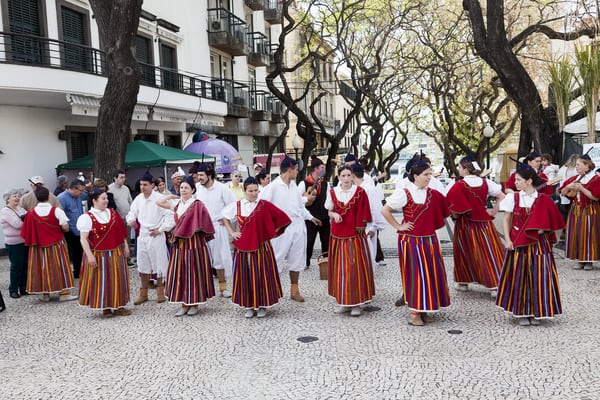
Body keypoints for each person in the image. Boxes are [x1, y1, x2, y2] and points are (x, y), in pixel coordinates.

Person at [381, 159, 451, 326]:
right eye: (426, 174)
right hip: (411, 241)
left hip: (429, 240)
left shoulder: (432, 193)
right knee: (416, 276)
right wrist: (399, 226)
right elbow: (385, 210)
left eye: (429, 174)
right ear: (415, 176)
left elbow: (446, 207)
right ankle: (414, 313)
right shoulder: (404, 192)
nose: (429, 177)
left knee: (430, 275)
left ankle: (425, 308)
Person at [497, 163, 564, 326]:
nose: (515, 183)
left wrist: (543, 230)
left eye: (519, 180)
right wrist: (507, 240)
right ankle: (521, 312)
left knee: (539, 276)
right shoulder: (513, 197)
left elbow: (554, 223)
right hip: (518, 243)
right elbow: (506, 218)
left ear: (528, 181)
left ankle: (537, 311)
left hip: (539, 244)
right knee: (519, 276)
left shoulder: (543, 200)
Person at [223, 177, 291, 318]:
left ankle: (262, 305)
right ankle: (249, 305)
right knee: (245, 276)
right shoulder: (237, 205)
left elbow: (282, 217)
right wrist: (232, 232)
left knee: (262, 275)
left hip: (261, 247)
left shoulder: (264, 205)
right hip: (243, 247)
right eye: (251, 190)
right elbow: (225, 217)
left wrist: (269, 232)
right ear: (244, 190)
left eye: (256, 190)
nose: (254, 193)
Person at [259, 157, 322, 302]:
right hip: (281, 229)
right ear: (289, 169)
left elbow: (299, 206)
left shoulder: (293, 186)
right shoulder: (273, 187)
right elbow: (262, 207)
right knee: (276, 259)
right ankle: (271, 290)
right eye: (295, 170)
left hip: (298, 227)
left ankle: (294, 290)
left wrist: (310, 217)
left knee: (297, 259)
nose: (297, 173)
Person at [445, 155, 505, 297]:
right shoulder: (485, 182)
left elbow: (448, 200)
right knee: (489, 252)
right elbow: (502, 196)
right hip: (485, 223)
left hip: (465, 224)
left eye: (460, 167)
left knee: (464, 252)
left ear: (466, 170)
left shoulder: (458, 184)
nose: (459, 169)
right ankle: (494, 285)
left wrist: (455, 216)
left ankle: (464, 282)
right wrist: (493, 212)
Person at [157, 176, 216, 317]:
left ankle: (194, 303)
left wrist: (195, 228)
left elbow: (206, 221)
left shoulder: (197, 204)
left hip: (194, 243)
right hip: (179, 244)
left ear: (193, 190)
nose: (183, 190)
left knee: (194, 273)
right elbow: (158, 202)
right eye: (182, 187)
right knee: (180, 273)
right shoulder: (177, 204)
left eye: (186, 188)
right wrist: (171, 195)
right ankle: (184, 303)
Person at [325, 165, 375, 317]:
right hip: (338, 236)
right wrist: (334, 215)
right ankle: (344, 302)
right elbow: (329, 210)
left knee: (355, 269)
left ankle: (357, 303)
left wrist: (365, 227)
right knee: (340, 269)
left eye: (348, 175)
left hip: (354, 236)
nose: (346, 179)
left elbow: (367, 212)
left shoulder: (360, 192)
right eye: (343, 176)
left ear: (353, 177)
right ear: (339, 177)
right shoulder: (332, 192)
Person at [77, 191, 131, 318]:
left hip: (116, 252)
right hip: (99, 255)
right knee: (102, 281)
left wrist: (126, 246)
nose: (106, 201)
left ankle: (119, 306)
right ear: (94, 201)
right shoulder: (87, 217)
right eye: (103, 198)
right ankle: (106, 307)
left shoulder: (112, 213)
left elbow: (121, 232)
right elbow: (83, 239)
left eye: (106, 198)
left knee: (119, 278)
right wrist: (89, 256)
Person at [20, 187, 77, 302]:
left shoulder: (30, 213)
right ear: (49, 196)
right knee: (60, 267)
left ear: (36, 197)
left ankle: (44, 294)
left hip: (38, 246)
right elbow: (65, 227)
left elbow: (26, 231)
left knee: (41, 268)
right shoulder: (57, 211)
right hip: (56, 244)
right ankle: (64, 293)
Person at [126, 172, 174, 305]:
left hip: (156, 235)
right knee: (143, 264)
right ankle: (144, 293)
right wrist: (131, 220)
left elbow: (170, 215)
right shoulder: (138, 199)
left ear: (152, 185)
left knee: (159, 264)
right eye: (141, 184)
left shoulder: (160, 198)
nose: (142, 187)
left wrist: (161, 229)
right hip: (143, 236)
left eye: (145, 185)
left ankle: (160, 291)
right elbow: (131, 212)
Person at [195, 163, 236, 298]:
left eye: (201, 175)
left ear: (209, 175)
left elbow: (232, 205)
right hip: (201, 229)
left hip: (217, 228)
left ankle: (223, 288)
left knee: (219, 259)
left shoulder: (222, 188)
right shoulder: (197, 188)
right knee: (202, 260)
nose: (199, 178)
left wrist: (225, 217)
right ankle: (205, 289)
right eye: (198, 175)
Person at [559, 154, 600, 270]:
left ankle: (589, 260)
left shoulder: (596, 179)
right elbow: (561, 192)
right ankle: (580, 259)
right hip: (576, 210)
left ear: (586, 166)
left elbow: (595, 197)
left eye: (578, 165)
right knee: (576, 234)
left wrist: (581, 188)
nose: (576, 167)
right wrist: (568, 187)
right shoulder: (576, 178)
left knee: (589, 234)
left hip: (590, 210)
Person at [351, 164, 387, 269]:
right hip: (357, 228)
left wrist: (373, 227)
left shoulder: (368, 189)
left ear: (353, 176)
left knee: (368, 256)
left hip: (368, 227)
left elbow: (375, 209)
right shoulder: (355, 189)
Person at [297, 156, 330, 269]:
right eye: (322, 167)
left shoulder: (325, 183)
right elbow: (296, 199)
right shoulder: (303, 183)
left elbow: (329, 198)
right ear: (316, 169)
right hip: (310, 218)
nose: (324, 169)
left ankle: (326, 262)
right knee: (309, 241)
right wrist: (307, 200)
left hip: (324, 217)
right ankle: (305, 262)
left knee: (326, 240)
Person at [0, 189, 28, 298]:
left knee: (25, 265)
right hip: (14, 243)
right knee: (16, 266)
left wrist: (25, 219)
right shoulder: (5, 211)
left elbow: (27, 219)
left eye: (18, 196)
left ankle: (24, 288)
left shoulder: (20, 209)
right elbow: (17, 224)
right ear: (8, 199)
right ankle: (13, 290)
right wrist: (25, 219)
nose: (17, 198)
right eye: (14, 196)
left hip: (24, 242)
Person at [57, 180, 86, 279]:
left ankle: (78, 271)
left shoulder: (78, 197)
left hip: (79, 229)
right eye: (80, 190)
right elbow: (60, 215)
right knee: (69, 253)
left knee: (79, 252)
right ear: (73, 188)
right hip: (69, 231)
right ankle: (67, 274)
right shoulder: (62, 198)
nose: (82, 193)